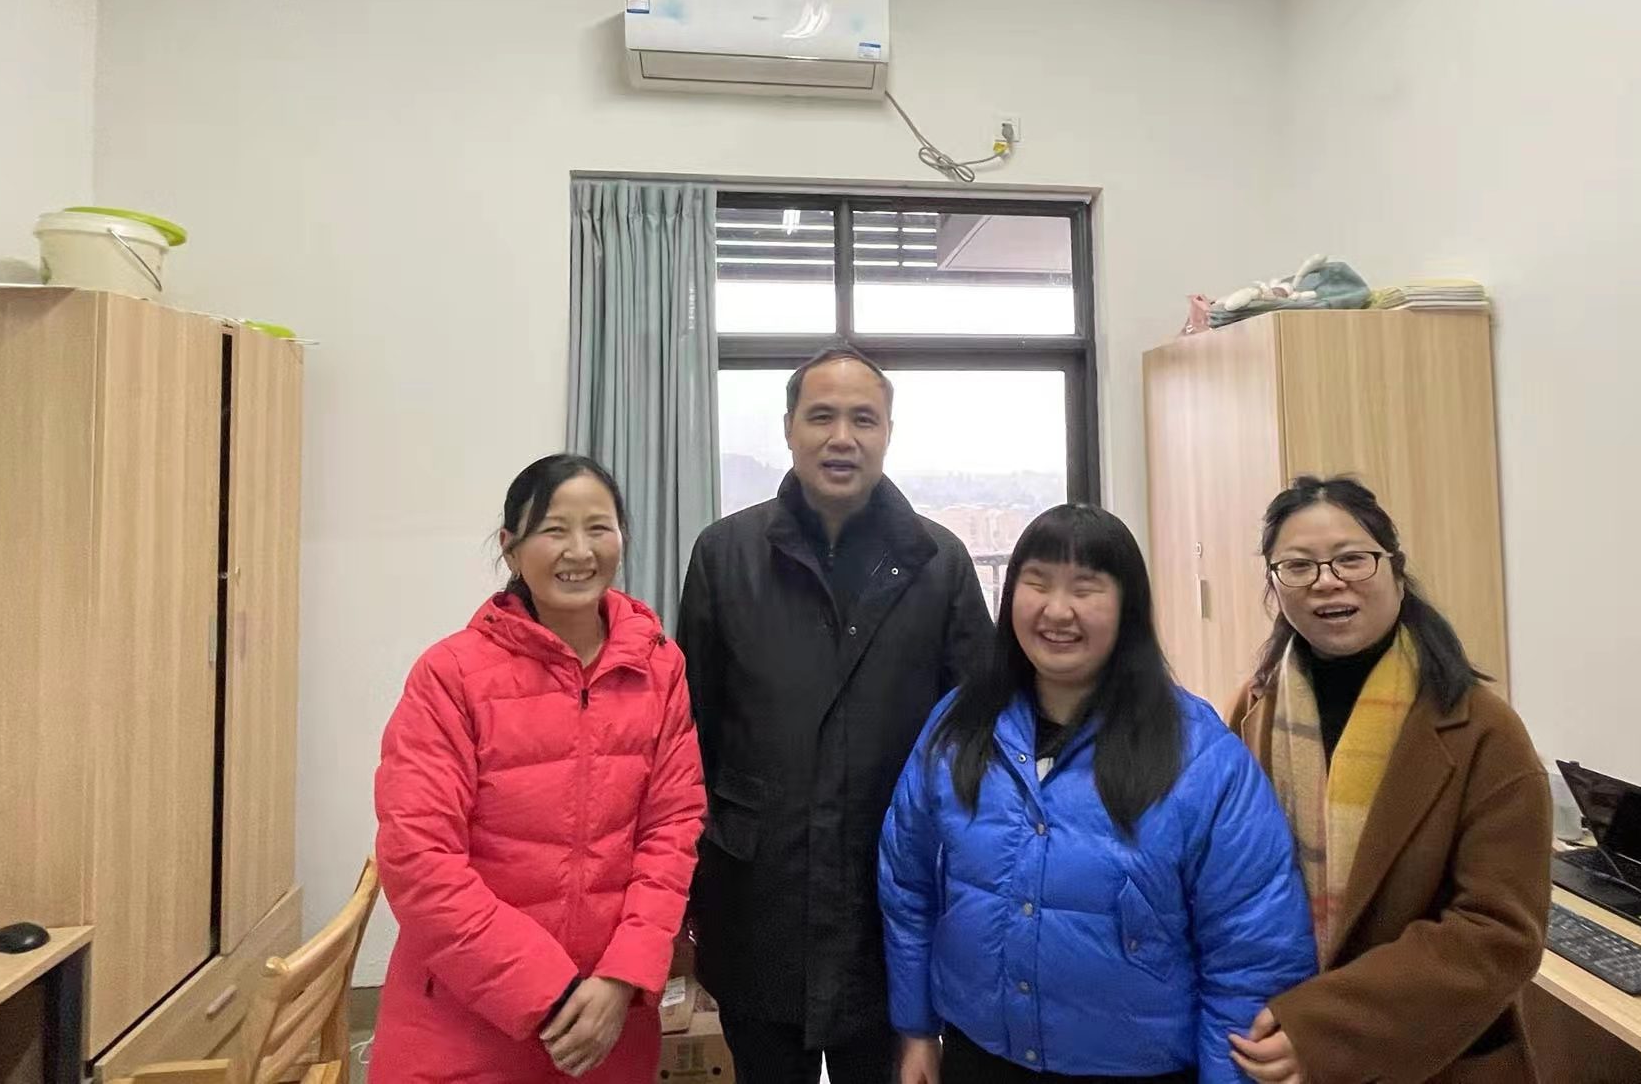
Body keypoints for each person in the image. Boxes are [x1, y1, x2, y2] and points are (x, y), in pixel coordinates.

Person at [879, 504, 1318, 1084]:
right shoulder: (958, 727)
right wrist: (915, 1029)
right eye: (1037, 583)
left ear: (1127, 607)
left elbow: (1250, 957)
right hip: (977, 1057)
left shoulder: (1202, 758)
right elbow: (907, 885)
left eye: (1085, 588)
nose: (1057, 610)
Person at [678, 346, 996, 1084]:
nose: (841, 438)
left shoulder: (939, 561)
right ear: (789, 429)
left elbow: (975, 737)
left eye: (863, 419)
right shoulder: (724, 555)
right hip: (758, 897)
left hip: (889, 906)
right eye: (821, 417)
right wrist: (690, 886)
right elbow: (691, 732)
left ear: (888, 433)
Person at [373, 455, 706, 1084]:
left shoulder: (660, 669)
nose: (579, 551)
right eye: (554, 530)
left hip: (607, 1022)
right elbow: (418, 858)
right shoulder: (451, 675)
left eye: (598, 528)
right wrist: (549, 992)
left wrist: (623, 976)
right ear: (510, 546)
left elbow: (672, 829)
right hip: (463, 1019)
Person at [1223, 476, 1549, 1084]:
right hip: (1267, 1040)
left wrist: (1324, 1027)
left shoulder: (1483, 730)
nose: (1327, 581)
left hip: (1431, 1059)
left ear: (1396, 571)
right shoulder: (1252, 709)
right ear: (1274, 584)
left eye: (1352, 558)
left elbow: (1499, 934)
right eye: (1298, 566)